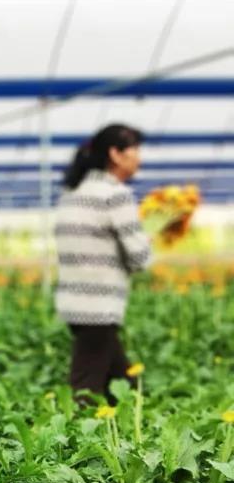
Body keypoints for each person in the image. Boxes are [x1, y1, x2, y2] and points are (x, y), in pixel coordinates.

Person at [54, 123, 152, 403]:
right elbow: (139, 257)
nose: (139, 158)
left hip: (75, 302)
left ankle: (134, 427)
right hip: (99, 305)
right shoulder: (115, 195)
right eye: (135, 150)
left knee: (122, 382)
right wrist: (150, 238)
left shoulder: (73, 193)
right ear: (116, 154)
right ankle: (72, 441)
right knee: (86, 388)